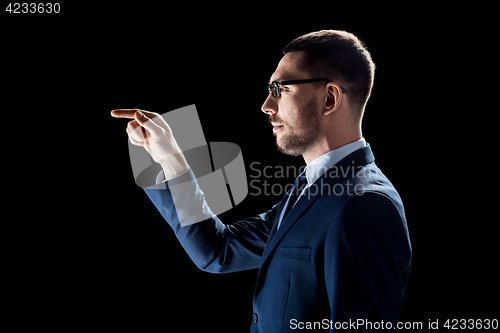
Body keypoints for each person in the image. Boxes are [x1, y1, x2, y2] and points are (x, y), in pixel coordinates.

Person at [111, 30, 412, 332]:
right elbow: (218, 251)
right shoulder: (312, 189)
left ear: (330, 98)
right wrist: (170, 158)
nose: (266, 105)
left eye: (280, 88)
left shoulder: (364, 206)